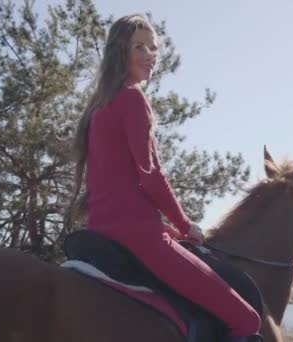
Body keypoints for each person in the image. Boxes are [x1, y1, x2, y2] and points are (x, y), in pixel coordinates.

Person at [70, 14, 262, 342]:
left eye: (154, 48)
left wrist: (166, 227)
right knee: (246, 319)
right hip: (139, 236)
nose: (150, 55)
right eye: (139, 47)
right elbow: (150, 175)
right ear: (120, 51)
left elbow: (114, 183)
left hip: (103, 230)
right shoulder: (132, 98)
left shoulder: (98, 108)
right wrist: (186, 225)